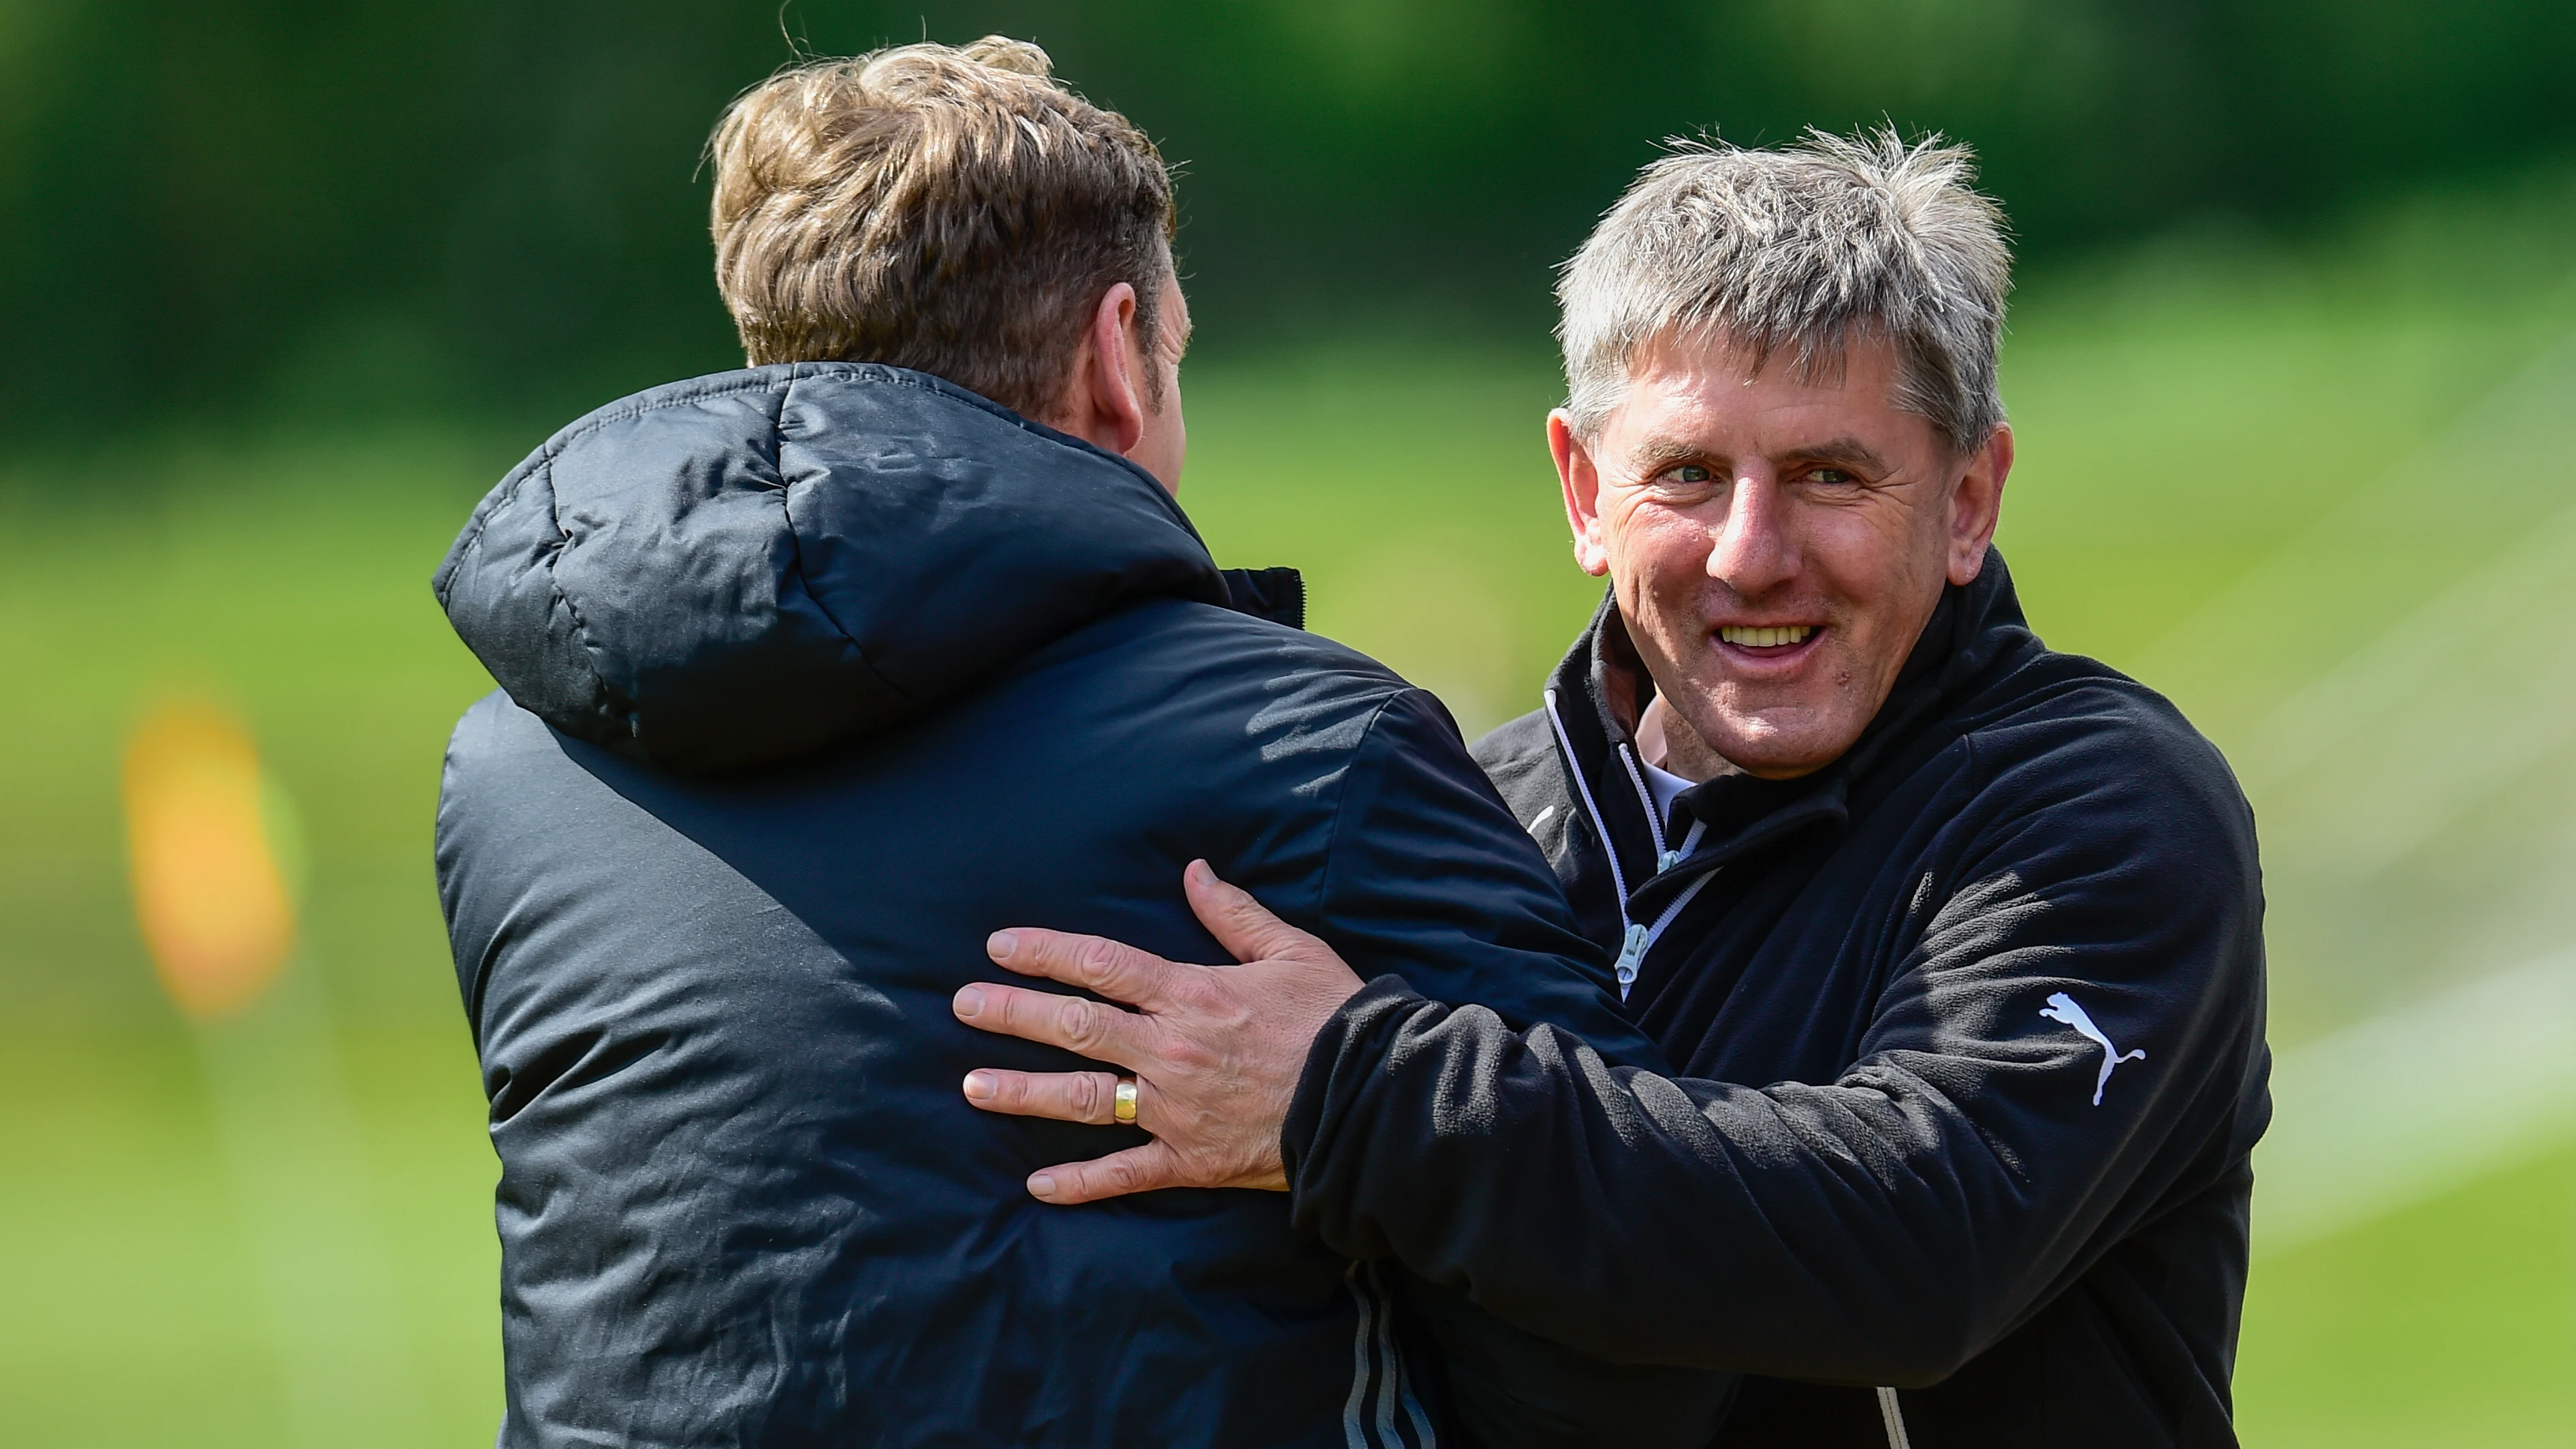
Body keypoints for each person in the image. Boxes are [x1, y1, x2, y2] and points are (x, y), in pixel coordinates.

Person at [431, 36, 1728, 1449]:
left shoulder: (511, 774)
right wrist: (1367, 1101)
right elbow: (1632, 1344)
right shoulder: (1307, 749)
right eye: (1177, 351)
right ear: (1119, 357)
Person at [952, 132, 2272, 1447]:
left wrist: (1347, 1097)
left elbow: (1922, 1242)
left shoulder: (2096, 806)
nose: (1751, 555)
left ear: (1969, 497)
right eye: (1689, 475)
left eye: (1829, 475)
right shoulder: (1465, 806)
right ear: (1584, 491)